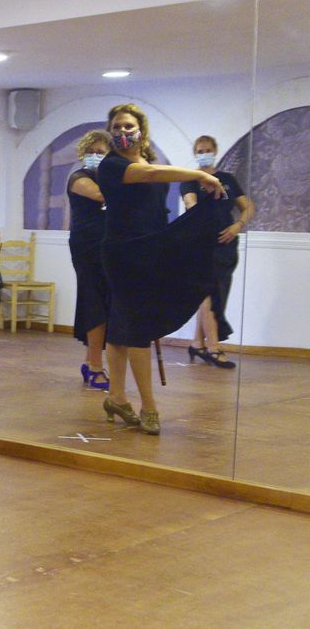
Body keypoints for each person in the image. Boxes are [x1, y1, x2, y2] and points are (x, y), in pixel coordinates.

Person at [95, 104, 227, 434]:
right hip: (124, 252)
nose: (123, 132)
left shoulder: (144, 161)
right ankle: (148, 406)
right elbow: (153, 175)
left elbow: (153, 182)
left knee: (123, 325)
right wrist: (199, 174)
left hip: (149, 247)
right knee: (137, 325)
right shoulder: (111, 166)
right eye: (117, 127)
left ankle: (116, 398)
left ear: (141, 129)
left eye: (128, 126)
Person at [180, 134, 253, 369]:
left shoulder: (228, 180)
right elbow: (190, 205)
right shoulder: (190, 180)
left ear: (215, 150)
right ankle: (214, 347)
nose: (204, 154)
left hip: (227, 244)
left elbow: (247, 206)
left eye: (208, 150)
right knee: (209, 293)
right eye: (200, 150)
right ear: (195, 153)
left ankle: (196, 343)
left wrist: (237, 225)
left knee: (217, 293)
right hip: (202, 245)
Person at [66, 130, 113, 389]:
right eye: (91, 152)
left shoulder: (109, 178)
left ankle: (90, 361)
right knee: (93, 301)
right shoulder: (78, 178)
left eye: (101, 152)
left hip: (108, 247)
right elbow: (101, 195)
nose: (95, 156)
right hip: (87, 248)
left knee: (104, 302)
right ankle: (96, 365)